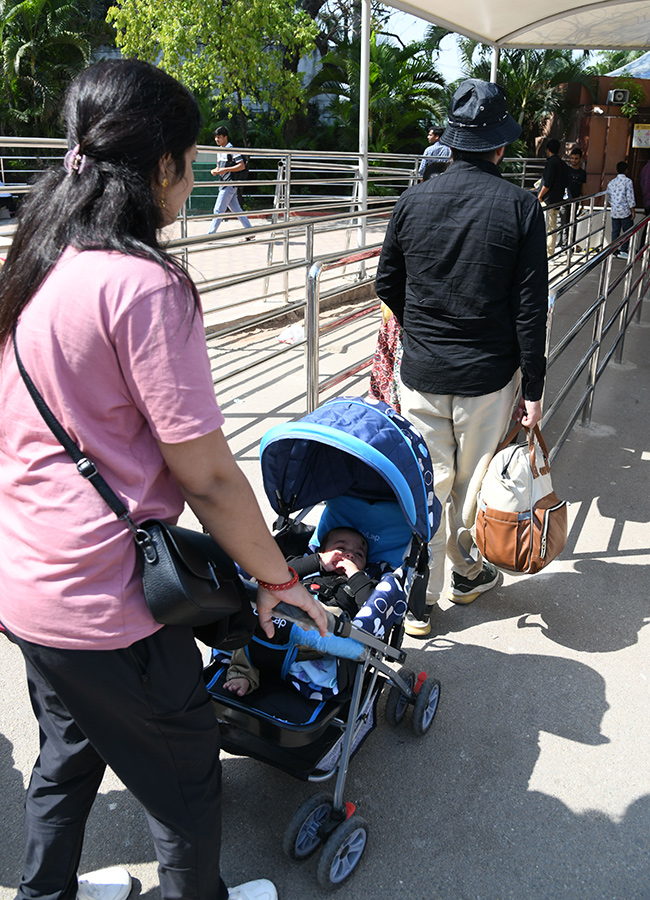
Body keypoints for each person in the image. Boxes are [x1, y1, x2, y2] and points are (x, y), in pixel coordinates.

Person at [0, 58, 327, 900]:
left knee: (68, 752)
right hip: (110, 602)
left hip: (27, 584)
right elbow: (211, 476)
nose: (194, 176)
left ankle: (45, 895)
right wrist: (276, 578)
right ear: (160, 168)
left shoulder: (35, 259)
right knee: (183, 778)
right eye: (189, 159)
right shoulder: (144, 286)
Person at [375, 79, 548, 638]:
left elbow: (386, 282)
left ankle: (417, 602)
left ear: (451, 141)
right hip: (487, 376)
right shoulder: (521, 208)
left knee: (427, 481)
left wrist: (423, 327)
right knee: (472, 482)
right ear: (500, 146)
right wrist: (534, 389)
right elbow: (530, 310)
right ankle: (466, 572)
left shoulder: (413, 199)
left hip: (421, 370)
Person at [224, 527, 381, 697]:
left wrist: (356, 575)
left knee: (334, 617)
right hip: (284, 609)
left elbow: (370, 605)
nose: (349, 555)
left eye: (359, 554)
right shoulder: (309, 566)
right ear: (322, 551)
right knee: (258, 599)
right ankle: (243, 673)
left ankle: (294, 672)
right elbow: (279, 572)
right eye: (341, 549)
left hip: (321, 624)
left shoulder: (363, 581)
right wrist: (318, 561)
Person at [207, 126, 253, 238]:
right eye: (216, 137)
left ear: (225, 137)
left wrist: (225, 170)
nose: (217, 140)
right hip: (224, 184)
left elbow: (241, 165)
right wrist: (215, 171)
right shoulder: (219, 151)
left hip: (229, 183)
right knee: (236, 210)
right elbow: (219, 167)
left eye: (219, 137)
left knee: (218, 210)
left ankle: (210, 235)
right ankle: (250, 232)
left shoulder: (231, 149)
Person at [538, 138, 569, 256]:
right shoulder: (563, 164)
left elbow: (548, 182)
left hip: (547, 200)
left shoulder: (551, 163)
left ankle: (546, 253)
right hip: (557, 199)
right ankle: (549, 252)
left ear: (548, 150)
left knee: (547, 226)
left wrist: (540, 196)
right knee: (553, 226)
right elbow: (565, 182)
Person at [607, 160, 636, 258]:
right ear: (626, 170)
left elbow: (608, 197)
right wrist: (632, 210)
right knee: (627, 231)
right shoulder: (628, 181)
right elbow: (630, 197)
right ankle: (623, 250)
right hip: (625, 211)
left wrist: (614, 205)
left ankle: (614, 250)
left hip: (615, 211)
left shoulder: (611, 183)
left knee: (615, 231)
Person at [559, 147, 587, 250]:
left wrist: (583, 203)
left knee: (573, 222)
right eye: (572, 158)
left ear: (580, 159)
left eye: (576, 158)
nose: (573, 160)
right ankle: (563, 245)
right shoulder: (566, 170)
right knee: (564, 222)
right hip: (565, 200)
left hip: (576, 200)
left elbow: (584, 188)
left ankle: (570, 244)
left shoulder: (582, 173)